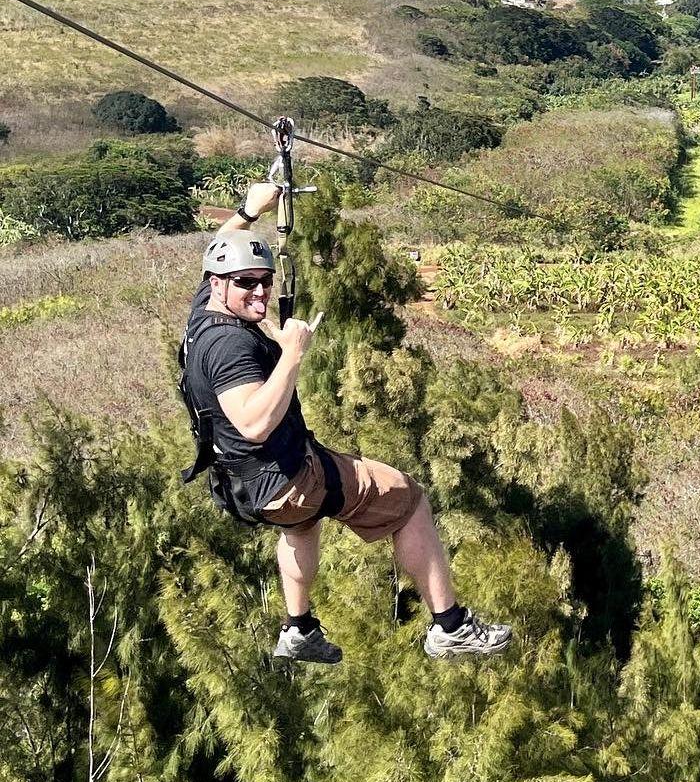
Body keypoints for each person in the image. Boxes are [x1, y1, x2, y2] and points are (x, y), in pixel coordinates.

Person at [181, 182, 513, 664]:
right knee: (407, 499)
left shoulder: (202, 317)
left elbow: (221, 245)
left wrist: (248, 211)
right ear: (219, 283)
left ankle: (298, 629)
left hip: (247, 487)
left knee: (300, 526)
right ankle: (451, 626)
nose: (260, 293)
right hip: (292, 478)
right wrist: (292, 353)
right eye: (246, 283)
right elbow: (253, 423)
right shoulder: (232, 347)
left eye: (264, 280)